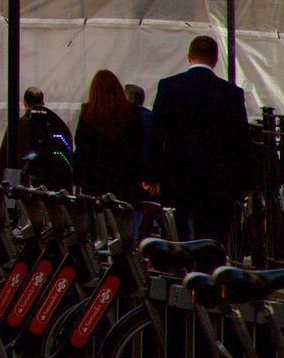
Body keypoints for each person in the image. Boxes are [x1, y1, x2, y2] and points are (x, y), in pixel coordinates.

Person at [145, 34, 252, 244]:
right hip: (217, 179)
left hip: (177, 175)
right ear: (215, 60)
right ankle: (210, 272)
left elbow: (156, 132)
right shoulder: (230, 92)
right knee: (213, 235)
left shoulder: (169, 87)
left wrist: (151, 174)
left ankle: (178, 272)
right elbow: (240, 139)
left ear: (189, 57)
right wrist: (245, 181)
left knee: (176, 234)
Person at [73, 69, 144, 202]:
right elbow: (138, 145)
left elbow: (82, 146)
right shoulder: (131, 113)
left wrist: (78, 177)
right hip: (125, 181)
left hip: (95, 180)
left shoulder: (88, 114)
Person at [0, 86, 74, 182]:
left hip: (19, 182)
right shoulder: (55, 126)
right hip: (50, 184)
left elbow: (3, 159)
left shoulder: (16, 127)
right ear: (43, 103)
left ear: (25, 103)